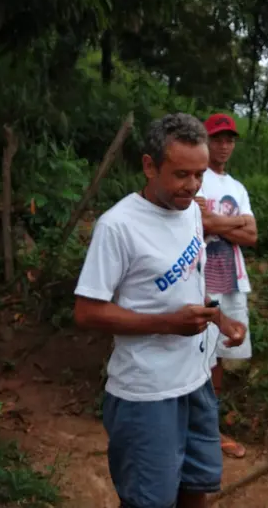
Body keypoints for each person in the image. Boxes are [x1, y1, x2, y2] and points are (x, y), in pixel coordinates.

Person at [73, 113, 247, 508]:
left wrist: (220, 319)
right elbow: (86, 312)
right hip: (146, 393)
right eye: (181, 174)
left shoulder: (189, 213)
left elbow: (187, 287)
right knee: (147, 500)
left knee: (198, 485)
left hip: (197, 381)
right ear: (149, 166)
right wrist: (167, 324)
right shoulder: (118, 226)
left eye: (200, 174)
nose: (193, 186)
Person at [194, 113, 258, 460]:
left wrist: (214, 223)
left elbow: (252, 235)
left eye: (229, 139)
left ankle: (210, 428)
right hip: (199, 276)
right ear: (205, 140)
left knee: (219, 353)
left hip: (232, 277)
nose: (224, 145)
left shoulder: (236, 187)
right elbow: (196, 224)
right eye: (217, 138)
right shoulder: (194, 178)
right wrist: (233, 223)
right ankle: (193, 426)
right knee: (196, 351)